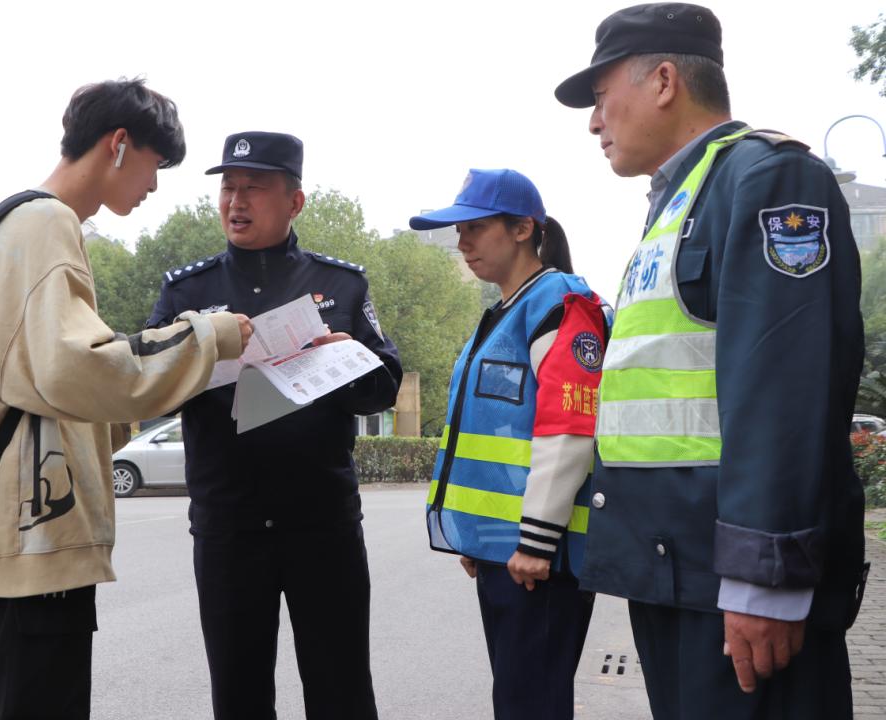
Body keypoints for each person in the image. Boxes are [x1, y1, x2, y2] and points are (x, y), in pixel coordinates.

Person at [554, 4, 867, 718]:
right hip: (678, 573)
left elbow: (786, 388)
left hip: (736, 589)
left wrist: (765, 580)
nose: (594, 122)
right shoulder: (680, 198)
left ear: (665, 81)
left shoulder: (768, 179)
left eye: (601, 96)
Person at [0, 78, 252, 720]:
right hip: (38, 537)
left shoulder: (25, 223)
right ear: (119, 144)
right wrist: (210, 335)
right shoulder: (46, 224)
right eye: (155, 165)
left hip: (22, 535)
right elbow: (76, 369)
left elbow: (44, 376)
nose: (153, 186)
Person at [146, 131, 402, 720]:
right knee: (238, 693)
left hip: (323, 526)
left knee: (341, 690)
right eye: (228, 188)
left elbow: (384, 384)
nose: (236, 201)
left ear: (295, 202)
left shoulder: (341, 285)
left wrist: (347, 361)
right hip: (229, 528)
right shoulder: (188, 291)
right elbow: (150, 384)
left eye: (254, 188)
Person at [415, 169, 608, 720]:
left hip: (540, 559)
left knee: (531, 704)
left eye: (475, 228)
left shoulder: (560, 306)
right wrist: (480, 536)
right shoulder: (506, 312)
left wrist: (536, 543)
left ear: (523, 228)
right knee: (517, 700)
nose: (463, 242)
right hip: (506, 550)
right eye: (459, 231)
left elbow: (569, 432)